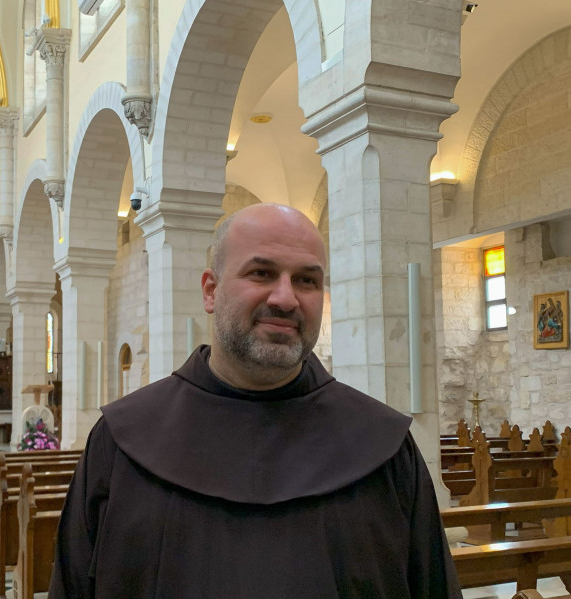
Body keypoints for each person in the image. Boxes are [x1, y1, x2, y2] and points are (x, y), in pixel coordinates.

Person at [49, 203, 461, 598]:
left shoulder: (383, 447)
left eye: (307, 280)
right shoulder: (121, 442)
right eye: (262, 273)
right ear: (210, 291)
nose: (285, 299)